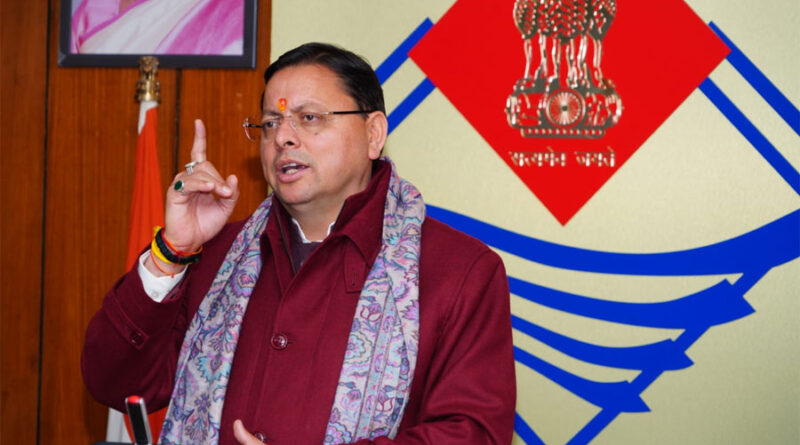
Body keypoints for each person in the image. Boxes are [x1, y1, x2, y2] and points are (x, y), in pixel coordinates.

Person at [82, 42, 516, 445]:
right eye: (270, 123)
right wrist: (171, 251)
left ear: (373, 134)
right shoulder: (215, 256)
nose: (282, 138)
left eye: (309, 118)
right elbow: (117, 385)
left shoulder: (458, 271)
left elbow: (474, 434)